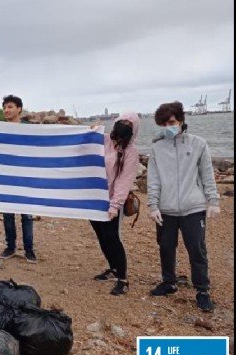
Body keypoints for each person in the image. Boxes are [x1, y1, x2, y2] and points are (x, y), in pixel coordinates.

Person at [147, 101, 220, 312]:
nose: (167, 127)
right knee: (166, 247)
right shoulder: (157, 147)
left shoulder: (198, 144)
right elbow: (154, 179)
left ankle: (202, 290)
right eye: (163, 124)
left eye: (170, 122)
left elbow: (207, 174)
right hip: (166, 209)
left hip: (193, 207)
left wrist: (213, 201)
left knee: (196, 249)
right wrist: (153, 205)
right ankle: (169, 283)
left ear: (181, 120)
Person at [90, 111, 140, 295]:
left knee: (112, 238)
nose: (124, 124)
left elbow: (124, 181)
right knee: (101, 236)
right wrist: (89, 131)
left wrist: (115, 205)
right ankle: (113, 268)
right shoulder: (104, 141)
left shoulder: (130, 152)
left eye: (129, 123)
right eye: (122, 121)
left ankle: (123, 278)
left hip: (111, 201)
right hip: (94, 199)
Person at [0, 95, 38, 263]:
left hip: (26, 179)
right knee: (8, 215)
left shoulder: (29, 129)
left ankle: (29, 249)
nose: (7, 110)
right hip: (7, 178)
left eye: (10, 107)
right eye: (5, 107)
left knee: (26, 215)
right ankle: (10, 247)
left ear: (19, 109)